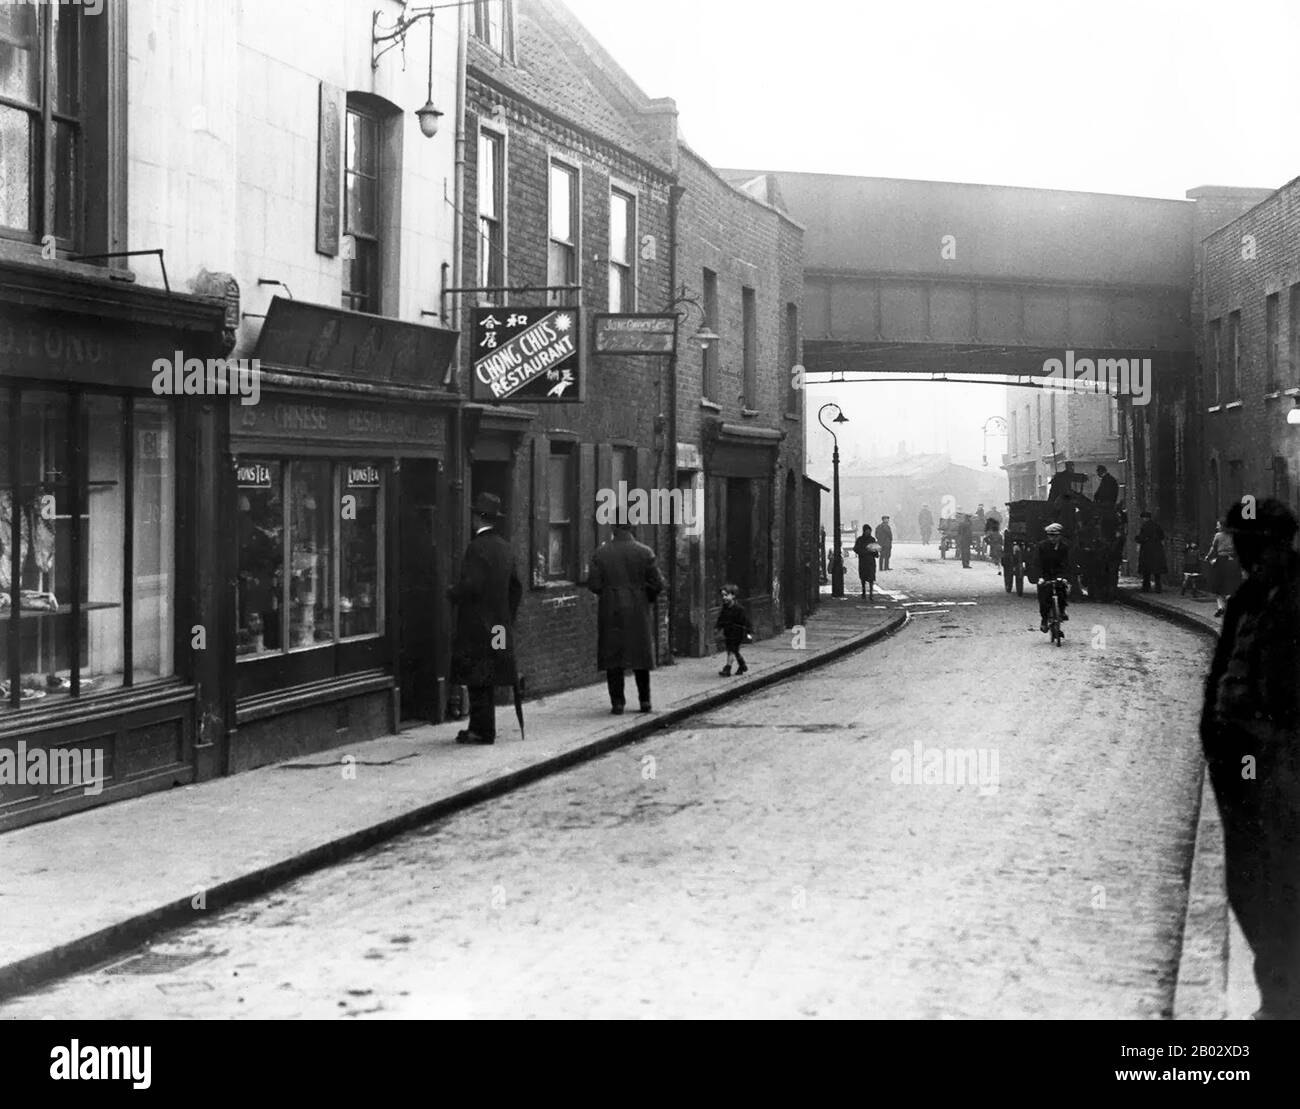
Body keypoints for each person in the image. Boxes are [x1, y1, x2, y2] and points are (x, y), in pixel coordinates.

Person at [1199, 498, 1300, 1019]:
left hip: (1282, 762)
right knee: (1245, 881)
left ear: (1278, 545)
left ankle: (1282, 999)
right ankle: (1277, 990)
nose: (1245, 556)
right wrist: (1214, 741)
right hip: (1237, 761)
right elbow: (1219, 674)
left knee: (1282, 878)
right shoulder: (1246, 598)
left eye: (1252, 545)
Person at [447, 492, 522, 745]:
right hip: (499, 627)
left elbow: (472, 586)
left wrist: (452, 593)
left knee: (476, 675)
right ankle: (481, 727)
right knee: (490, 673)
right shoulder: (505, 547)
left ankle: (481, 730)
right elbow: (516, 587)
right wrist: (506, 616)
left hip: (477, 625)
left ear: (478, 518)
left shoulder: (476, 548)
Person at [589, 520, 664, 714]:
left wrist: (609, 592)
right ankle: (645, 701)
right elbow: (658, 583)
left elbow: (594, 585)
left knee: (614, 657)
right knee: (640, 656)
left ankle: (617, 703)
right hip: (638, 610)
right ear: (631, 527)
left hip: (611, 609)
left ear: (613, 528)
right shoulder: (645, 552)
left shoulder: (601, 553)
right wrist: (645, 596)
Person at [1035, 522, 1071, 632]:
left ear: (1059, 536)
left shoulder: (1064, 547)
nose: (1052, 538)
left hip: (1058, 574)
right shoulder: (1042, 546)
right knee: (1044, 597)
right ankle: (1044, 619)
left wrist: (1063, 577)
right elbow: (1037, 563)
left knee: (1062, 591)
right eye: (1050, 535)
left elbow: (1067, 563)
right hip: (1045, 574)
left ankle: (1062, 611)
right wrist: (1040, 577)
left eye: (1055, 536)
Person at [1206, 519, 1243, 617]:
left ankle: (1221, 607)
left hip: (1222, 560)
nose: (1217, 527)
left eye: (1218, 525)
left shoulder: (1218, 535)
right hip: (1234, 561)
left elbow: (1213, 548)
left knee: (1218, 585)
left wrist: (1208, 557)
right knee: (1232, 583)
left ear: (1222, 526)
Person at [715, 584, 753, 676]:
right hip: (728, 632)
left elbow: (746, 621)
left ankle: (727, 668)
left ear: (733, 596)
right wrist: (718, 627)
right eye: (723, 595)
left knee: (731, 649)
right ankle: (742, 665)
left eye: (726, 595)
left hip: (737, 633)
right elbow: (721, 619)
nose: (724, 597)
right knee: (734, 650)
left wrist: (749, 632)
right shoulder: (725, 608)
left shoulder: (739, 609)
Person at [1136, 511, 1167, 593]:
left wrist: (1138, 539)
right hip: (1157, 550)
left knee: (1146, 570)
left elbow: (1142, 538)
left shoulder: (1144, 526)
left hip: (1147, 550)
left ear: (1145, 518)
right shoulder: (1157, 526)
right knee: (1157, 571)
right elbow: (1162, 536)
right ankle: (1158, 587)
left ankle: (1146, 587)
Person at [852, 524, 879, 599]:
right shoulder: (860, 539)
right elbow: (855, 549)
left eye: (869, 531)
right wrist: (863, 552)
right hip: (863, 560)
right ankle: (863, 591)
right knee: (863, 577)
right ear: (864, 531)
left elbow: (875, 550)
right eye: (867, 531)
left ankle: (871, 593)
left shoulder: (872, 539)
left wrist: (875, 552)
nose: (868, 532)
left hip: (870, 561)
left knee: (871, 577)